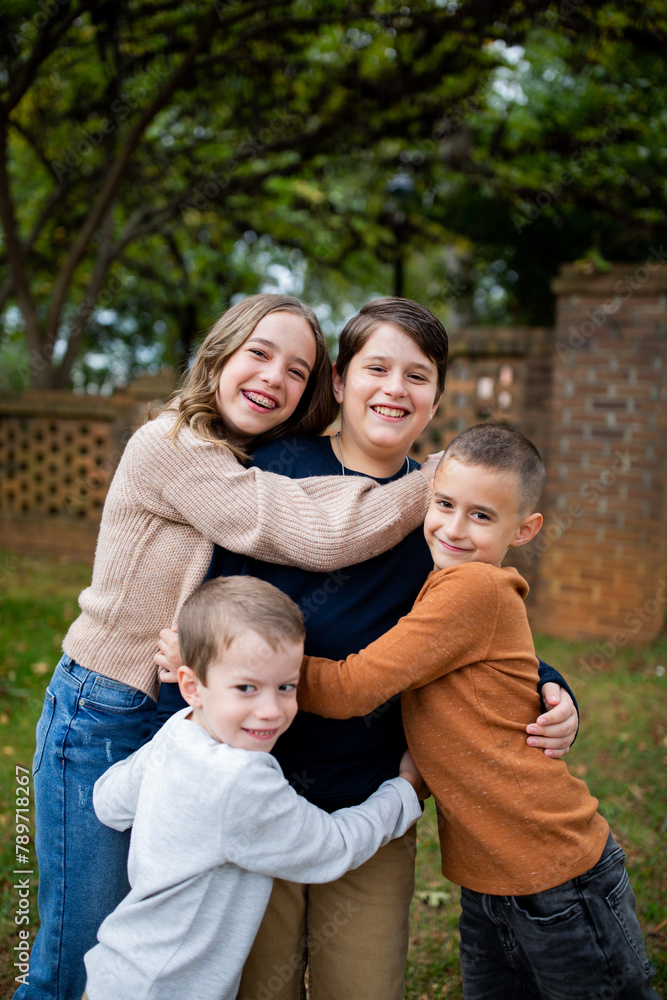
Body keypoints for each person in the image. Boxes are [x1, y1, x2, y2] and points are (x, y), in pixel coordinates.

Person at [153, 299, 579, 1000]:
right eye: (375, 368)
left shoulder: (441, 511)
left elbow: (477, 622)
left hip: (373, 798)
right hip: (257, 788)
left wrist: (550, 687)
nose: (394, 388)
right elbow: (212, 606)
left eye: (417, 376)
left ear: (436, 397)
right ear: (341, 382)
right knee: (260, 984)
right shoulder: (273, 471)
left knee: (364, 985)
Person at [20, 293, 441, 1000]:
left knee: (152, 931)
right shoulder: (171, 445)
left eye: (295, 369)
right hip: (106, 707)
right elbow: (308, 529)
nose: (275, 377)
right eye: (259, 353)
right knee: (77, 951)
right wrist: (435, 481)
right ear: (219, 352)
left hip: (179, 713)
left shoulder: (243, 457)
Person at [296, 423, 661, 1000]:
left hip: (557, 875)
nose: (454, 528)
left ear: (525, 529)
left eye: (482, 516)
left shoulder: (473, 592)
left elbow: (352, 688)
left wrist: (250, 672)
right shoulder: (447, 584)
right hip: (488, 882)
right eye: (443, 504)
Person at [82, 576, 425, 1000]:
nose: (270, 711)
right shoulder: (242, 779)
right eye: (246, 688)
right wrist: (405, 790)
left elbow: (107, 802)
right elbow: (334, 847)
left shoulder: (177, 734)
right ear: (192, 687)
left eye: (286, 687)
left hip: (117, 972)